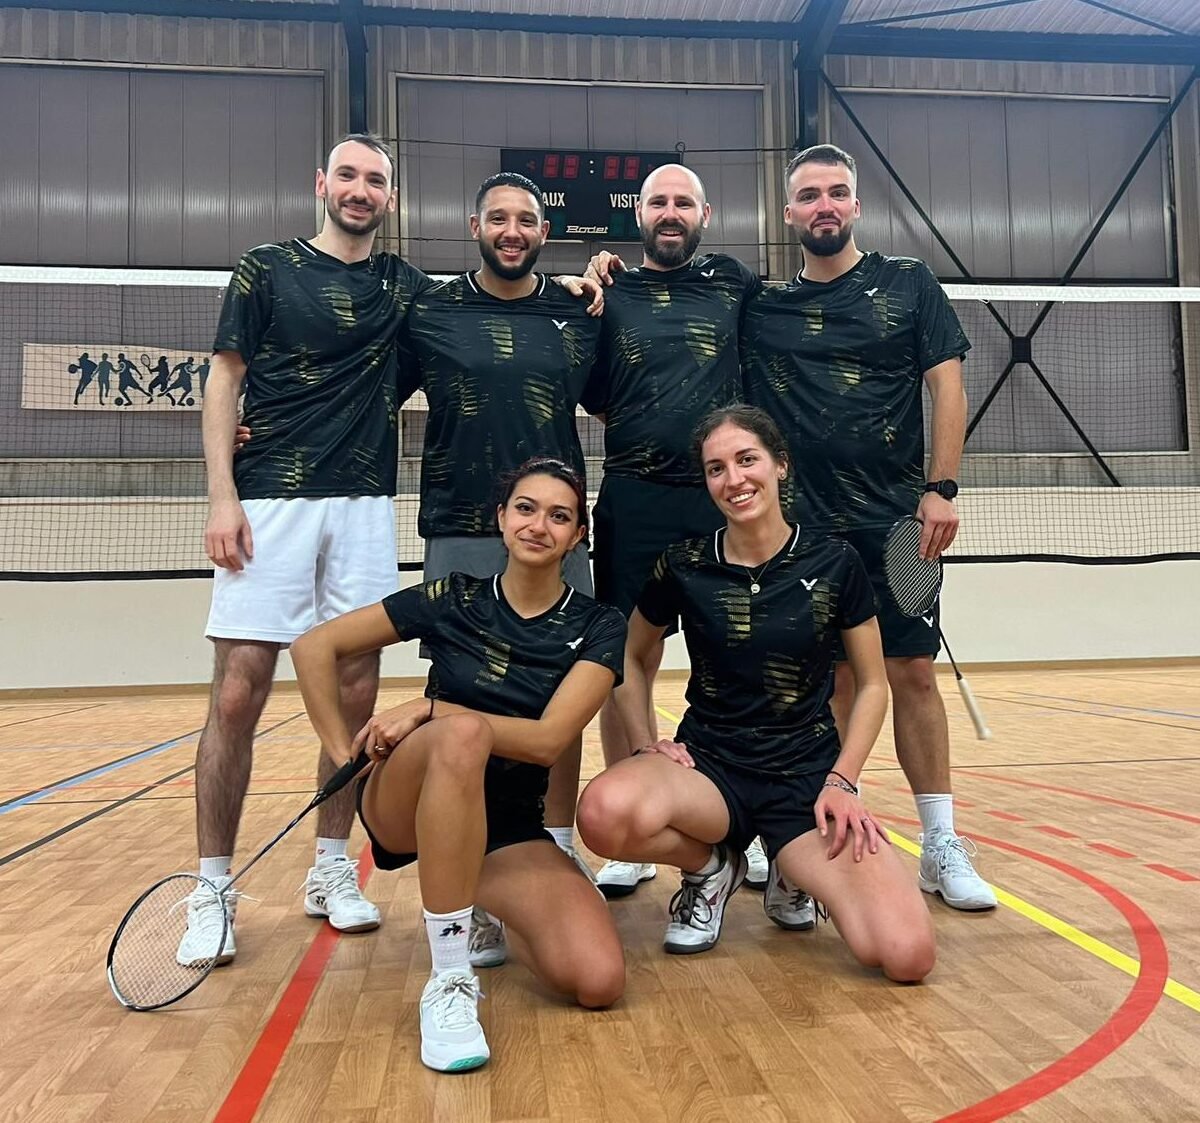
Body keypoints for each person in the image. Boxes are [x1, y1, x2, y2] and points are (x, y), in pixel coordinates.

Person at [177, 133, 432, 968]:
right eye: (348, 175)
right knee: (236, 694)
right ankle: (212, 888)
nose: (360, 189)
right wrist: (221, 493)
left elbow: (487, 304)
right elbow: (224, 378)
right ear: (322, 182)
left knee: (355, 694)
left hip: (363, 505)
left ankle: (330, 869)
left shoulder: (403, 285)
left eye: (375, 180)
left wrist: (580, 284)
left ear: (390, 197)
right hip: (268, 502)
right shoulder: (266, 268)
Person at [290, 458, 627, 1072]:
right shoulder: (454, 597)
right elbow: (315, 645)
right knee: (464, 735)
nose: (539, 525)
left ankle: (484, 902)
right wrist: (344, 756)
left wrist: (430, 707)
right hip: (410, 804)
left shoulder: (599, 624)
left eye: (559, 516)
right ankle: (449, 978)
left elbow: (547, 741)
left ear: (578, 536)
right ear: (501, 518)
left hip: (507, 825)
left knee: (597, 980)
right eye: (525, 508)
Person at [577, 405, 935, 982]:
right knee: (603, 814)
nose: (734, 479)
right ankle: (712, 868)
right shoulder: (684, 564)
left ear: (780, 465)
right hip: (709, 770)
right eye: (716, 469)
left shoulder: (836, 562)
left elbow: (872, 685)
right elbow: (630, 656)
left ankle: (793, 871)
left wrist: (843, 781)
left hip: (804, 782)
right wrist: (644, 743)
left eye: (747, 460)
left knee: (906, 954)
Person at [741, 144, 995, 910]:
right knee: (827, 685)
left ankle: (940, 843)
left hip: (898, 528)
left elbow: (948, 386)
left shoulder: (909, 283)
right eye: (809, 194)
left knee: (912, 672)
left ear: (855, 205)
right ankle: (803, 839)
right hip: (803, 535)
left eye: (836, 192)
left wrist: (941, 488)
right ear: (789, 212)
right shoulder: (762, 308)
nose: (824, 204)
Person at [399, 172, 603, 965]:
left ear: (544, 232)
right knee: (466, 703)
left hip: (556, 527)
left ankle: (555, 845)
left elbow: (622, 398)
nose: (511, 230)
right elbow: (364, 388)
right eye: (498, 218)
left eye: (526, 219)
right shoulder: (431, 310)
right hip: (462, 523)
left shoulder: (577, 313)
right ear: (474, 225)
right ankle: (473, 880)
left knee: (562, 698)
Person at [580, 165, 792, 911]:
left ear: (706, 212)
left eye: (682, 202)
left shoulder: (734, 284)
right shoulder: (610, 293)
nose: (670, 213)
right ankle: (635, 807)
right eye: (657, 202)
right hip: (634, 498)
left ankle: (752, 821)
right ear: (637, 214)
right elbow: (599, 396)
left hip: (719, 499)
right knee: (620, 658)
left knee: (741, 653)